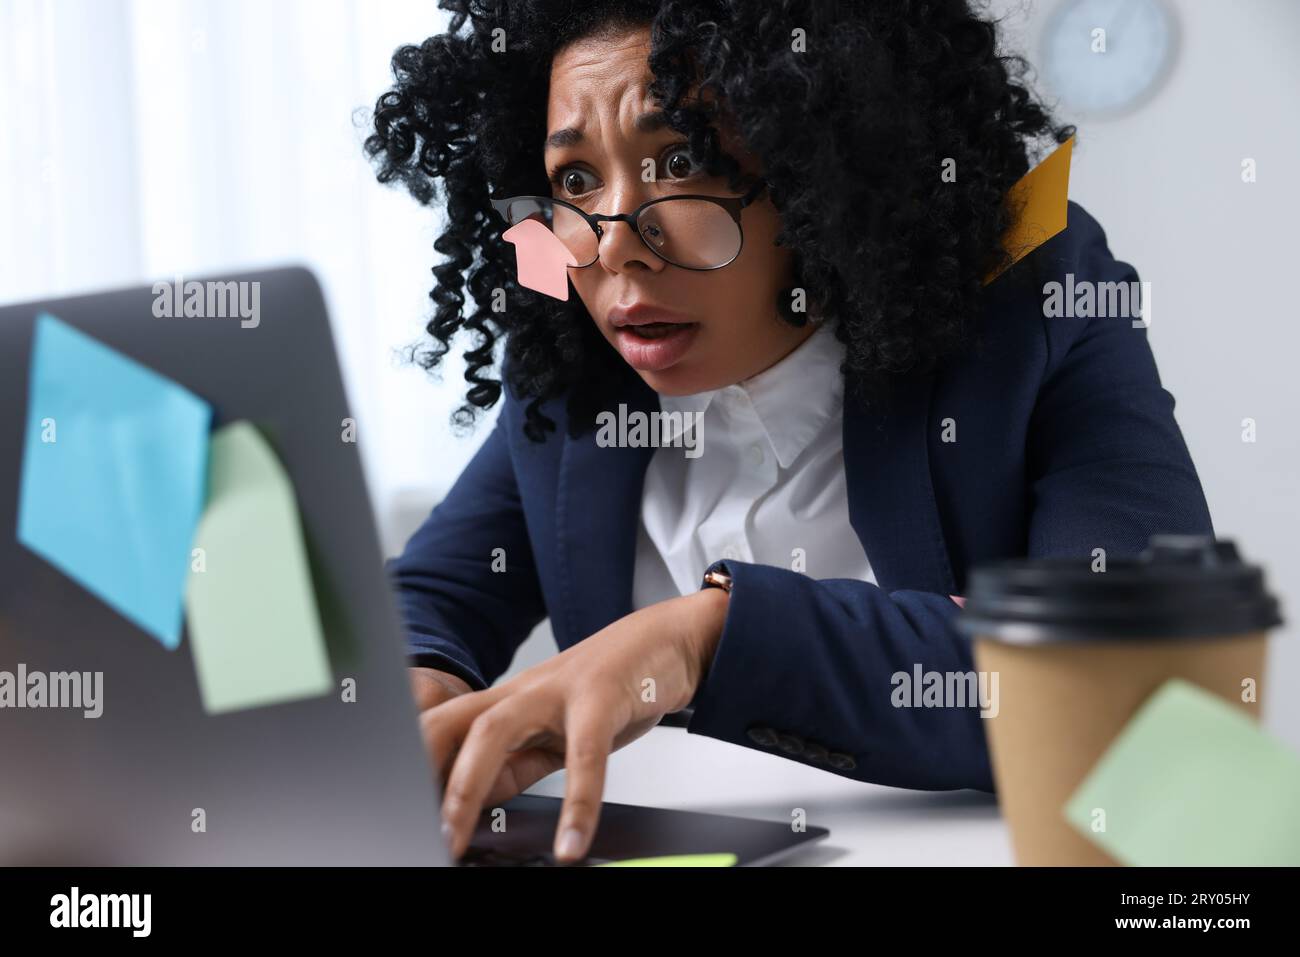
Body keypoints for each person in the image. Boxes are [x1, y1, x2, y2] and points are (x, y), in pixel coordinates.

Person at [363, 0, 1213, 863]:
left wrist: (703, 638)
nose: (616, 245)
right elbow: (436, 594)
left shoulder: (1035, 295)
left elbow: (1129, 669)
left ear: (824, 165)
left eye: (681, 160)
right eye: (576, 181)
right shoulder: (568, 361)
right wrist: (419, 681)